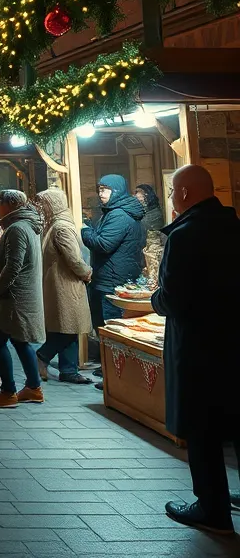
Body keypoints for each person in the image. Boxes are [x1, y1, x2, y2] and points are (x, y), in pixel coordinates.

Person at [152, 165, 240, 535]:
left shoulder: (185, 235)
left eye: (173, 190)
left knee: (202, 429)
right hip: (234, 345)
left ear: (185, 193)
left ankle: (212, 509)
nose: (172, 197)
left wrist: (155, 299)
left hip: (198, 348)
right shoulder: (234, 226)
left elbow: (173, 298)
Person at [0, 190, 45, 409]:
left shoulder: (17, 228)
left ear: (9, 205)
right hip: (22, 295)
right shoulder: (27, 225)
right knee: (19, 339)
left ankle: (8, 392)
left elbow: (13, 265)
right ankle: (33, 387)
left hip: (14, 297)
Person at [34, 188, 92, 385]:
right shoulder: (61, 226)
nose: (42, 208)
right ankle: (43, 356)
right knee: (68, 328)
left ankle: (68, 370)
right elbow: (74, 259)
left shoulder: (56, 226)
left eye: (44, 204)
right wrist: (86, 272)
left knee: (67, 327)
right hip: (66, 285)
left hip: (59, 284)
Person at [81, 174, 145, 353]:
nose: (101, 193)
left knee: (110, 328)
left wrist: (85, 230)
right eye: (100, 189)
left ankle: (111, 366)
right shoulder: (114, 211)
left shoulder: (118, 215)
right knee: (106, 328)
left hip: (112, 281)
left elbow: (103, 244)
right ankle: (108, 364)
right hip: (112, 277)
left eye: (105, 189)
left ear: (117, 191)